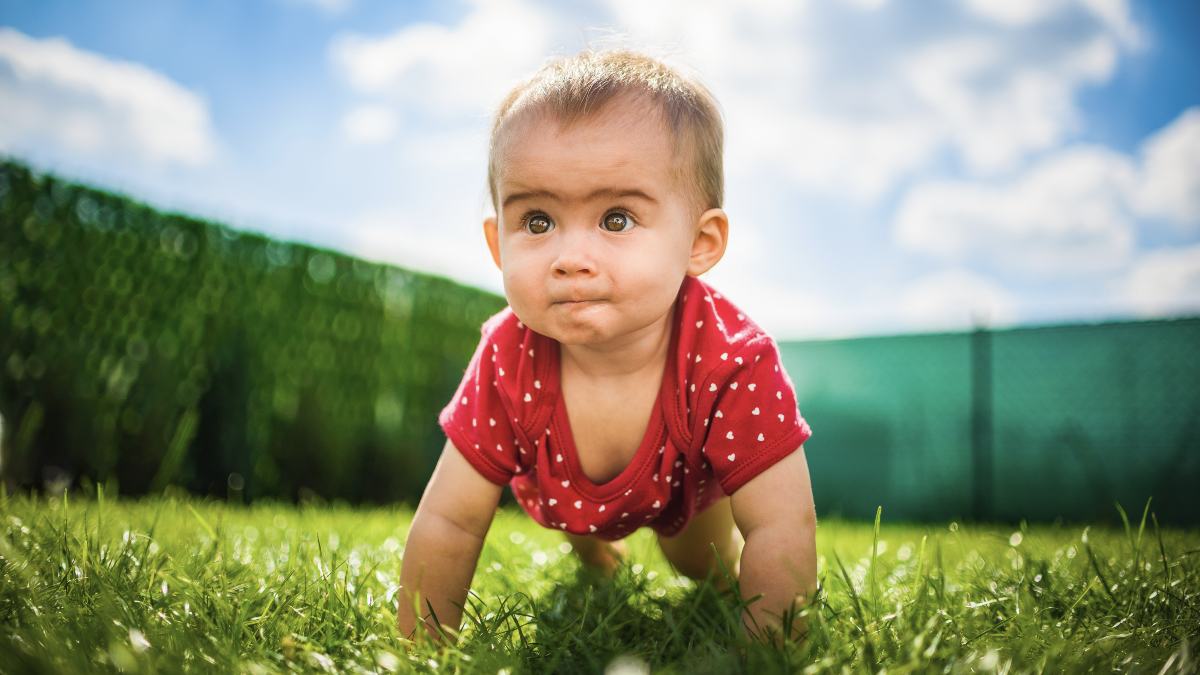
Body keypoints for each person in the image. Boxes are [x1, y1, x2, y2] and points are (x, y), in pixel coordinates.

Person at [397, 48, 818, 645]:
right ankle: (596, 558)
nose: (571, 259)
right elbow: (449, 520)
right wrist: (418, 651)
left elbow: (782, 525)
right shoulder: (508, 356)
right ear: (498, 243)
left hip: (684, 491)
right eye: (538, 221)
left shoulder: (732, 359)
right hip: (564, 488)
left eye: (616, 220)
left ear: (699, 242)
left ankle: (705, 571)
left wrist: (771, 652)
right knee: (585, 534)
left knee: (703, 565)